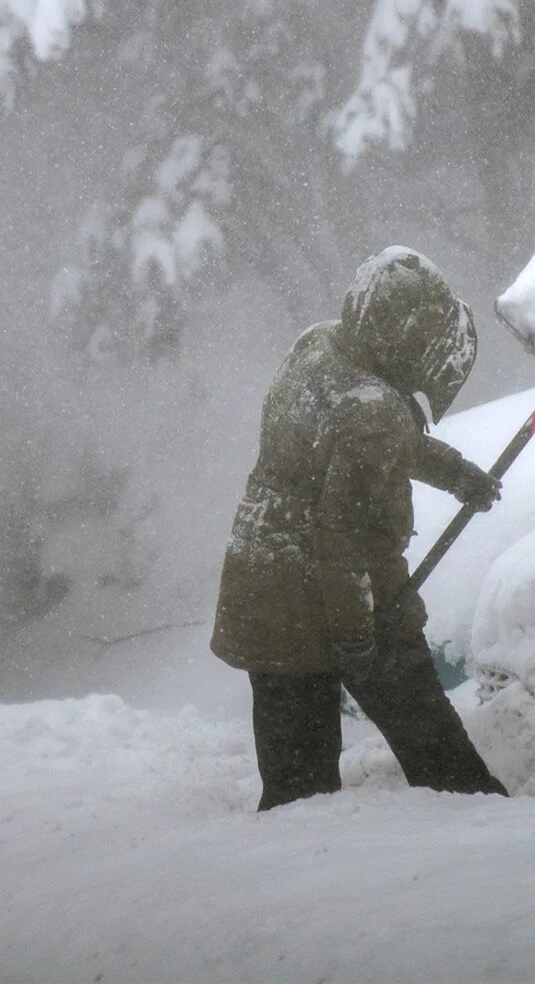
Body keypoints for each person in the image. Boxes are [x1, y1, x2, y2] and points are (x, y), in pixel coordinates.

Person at [211, 247, 510, 810]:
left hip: (261, 585)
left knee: (295, 779)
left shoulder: (320, 344)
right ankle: (484, 823)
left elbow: (358, 439)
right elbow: (344, 542)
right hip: (324, 598)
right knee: (429, 741)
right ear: (403, 336)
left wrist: (454, 473)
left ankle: (295, 869)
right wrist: (359, 640)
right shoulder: (372, 409)